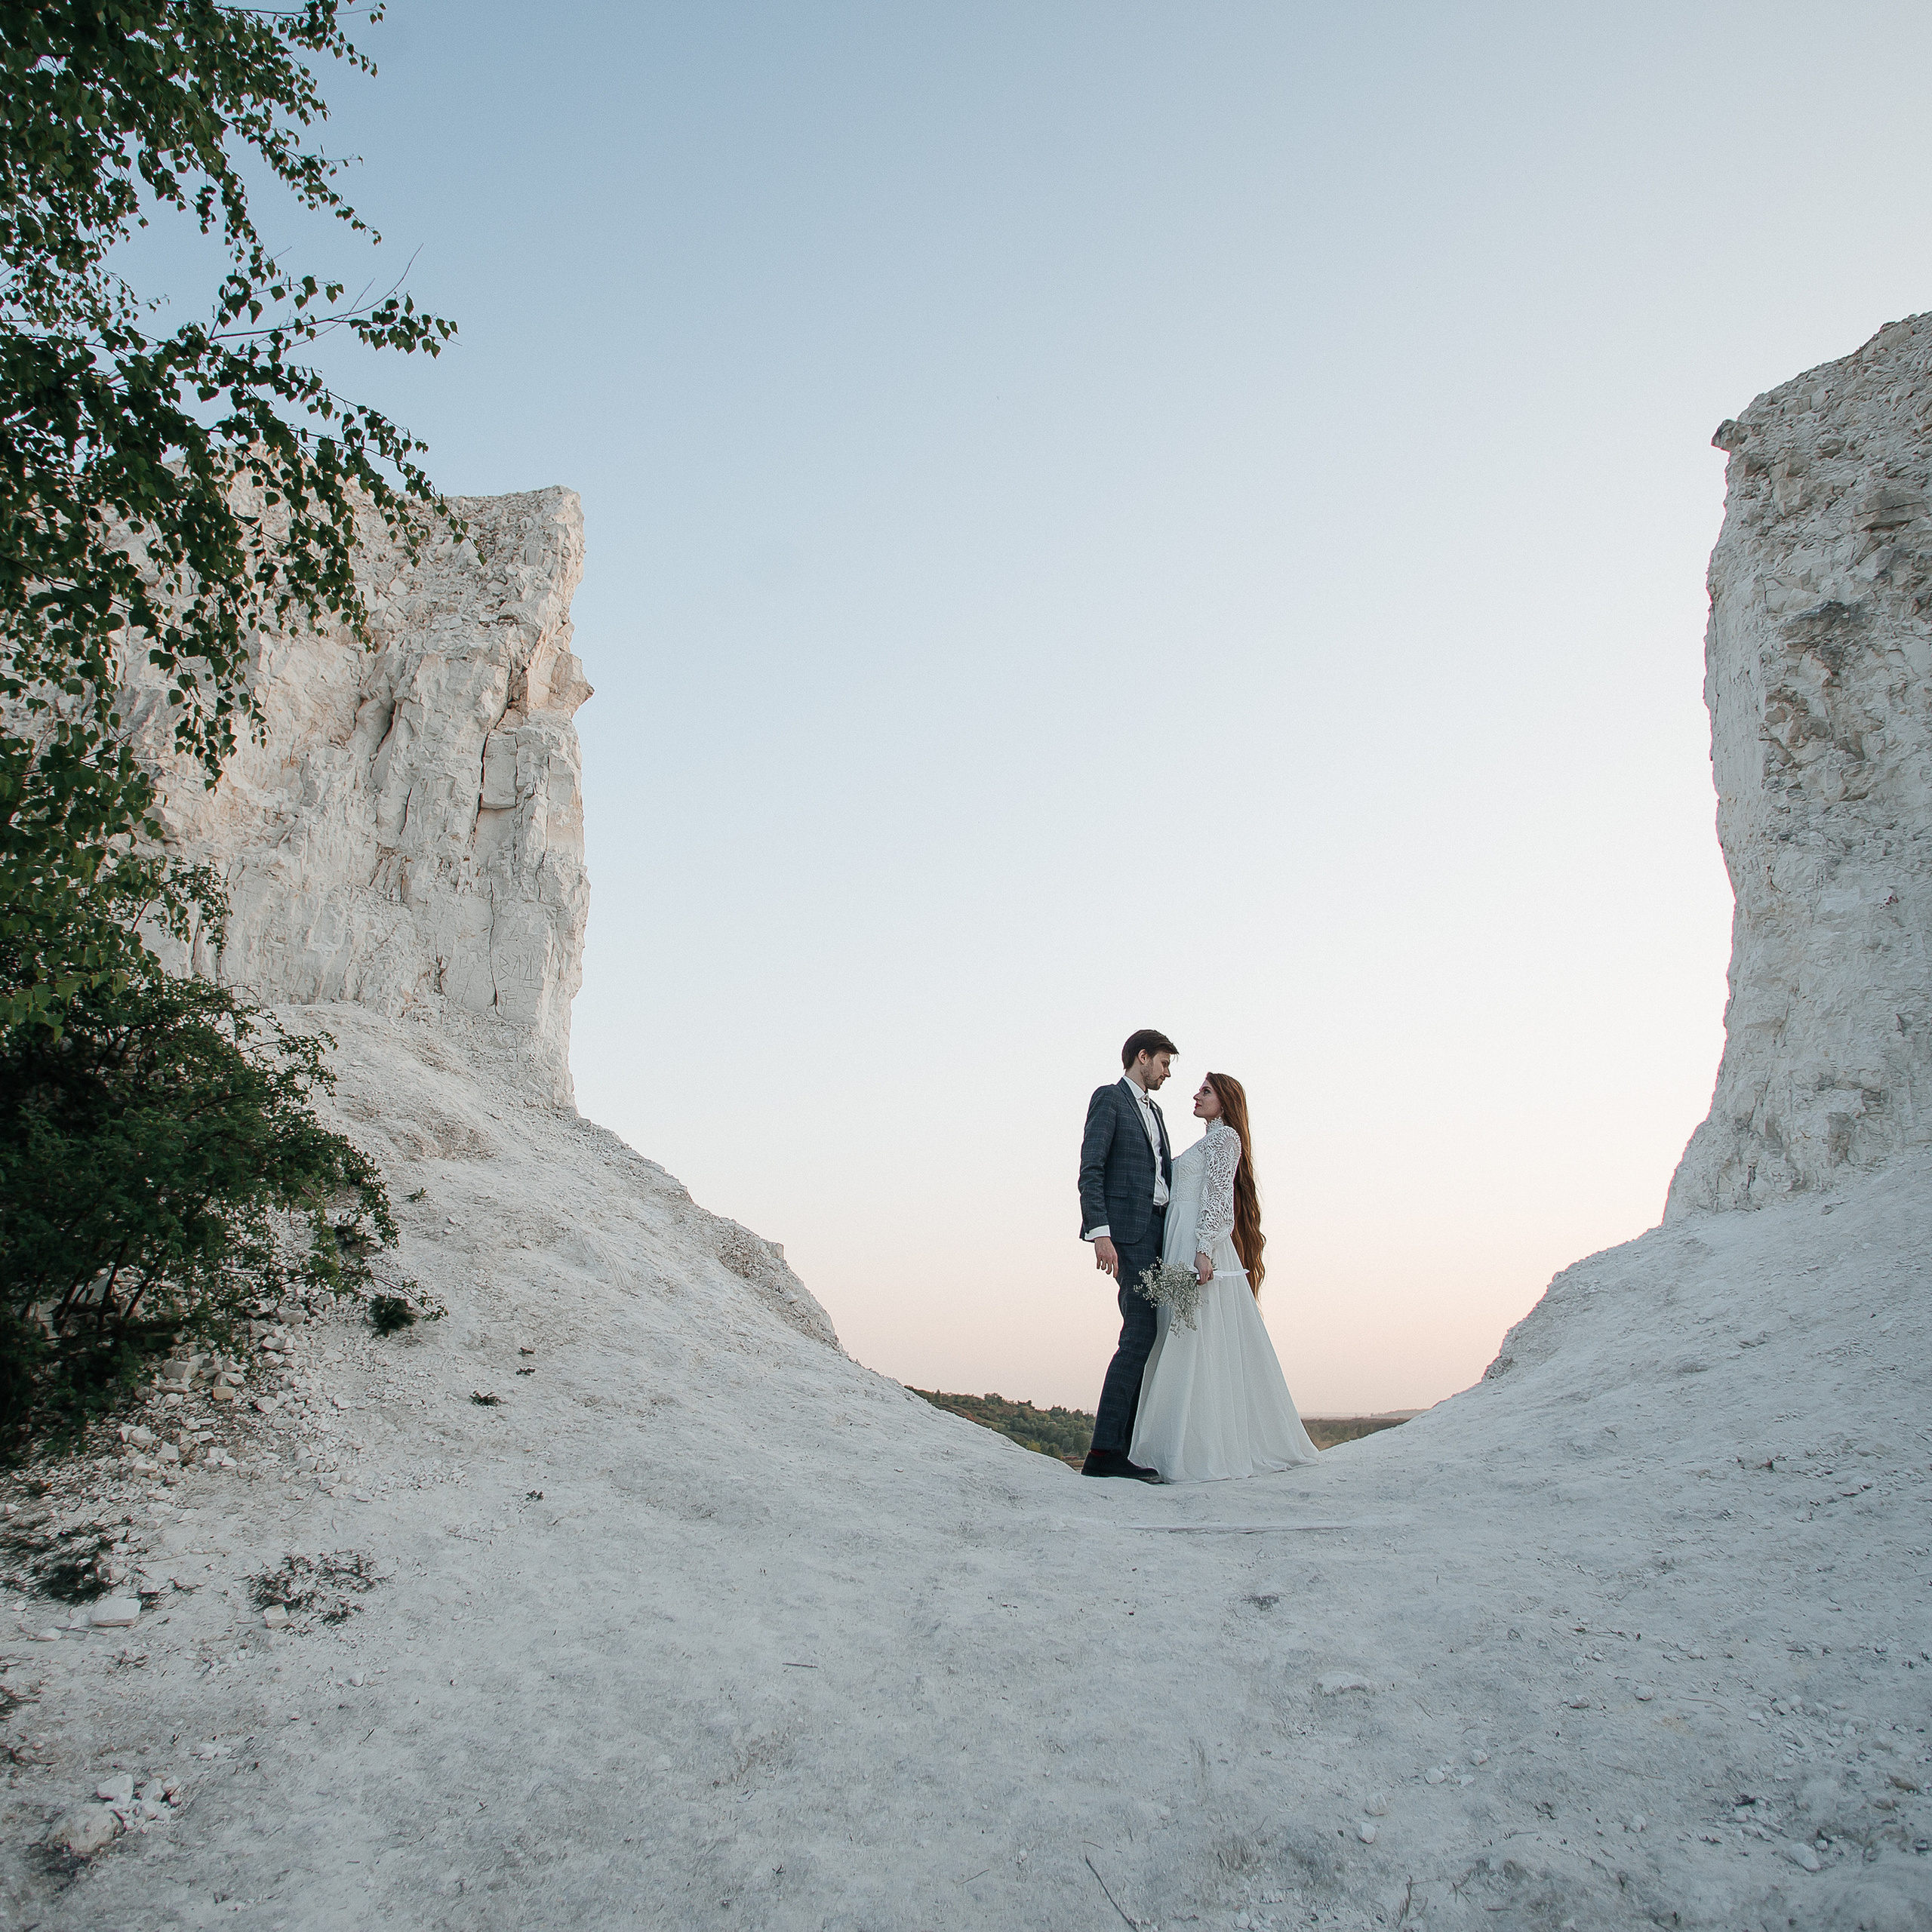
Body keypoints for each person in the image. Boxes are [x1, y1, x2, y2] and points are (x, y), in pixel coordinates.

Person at [1128, 1072, 1318, 1482]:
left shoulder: (1225, 1138)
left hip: (1195, 1246)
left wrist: (1204, 1250)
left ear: (1226, 1101)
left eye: (1206, 1091)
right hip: (1179, 1241)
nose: (1196, 1095)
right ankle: (1174, 1444)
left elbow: (1218, 1194)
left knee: (1192, 1338)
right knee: (1178, 1336)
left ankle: (1193, 1451)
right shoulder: (1207, 1140)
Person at [1076, 1028, 1178, 1480]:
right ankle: (1104, 1453)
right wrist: (1101, 1232)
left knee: (1149, 1332)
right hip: (1128, 1234)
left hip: (1158, 1232)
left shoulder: (1155, 1111)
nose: (1167, 1073)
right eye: (1164, 1064)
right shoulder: (1109, 1099)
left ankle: (1124, 1444)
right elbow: (1091, 1168)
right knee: (1138, 1331)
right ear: (1142, 1057)